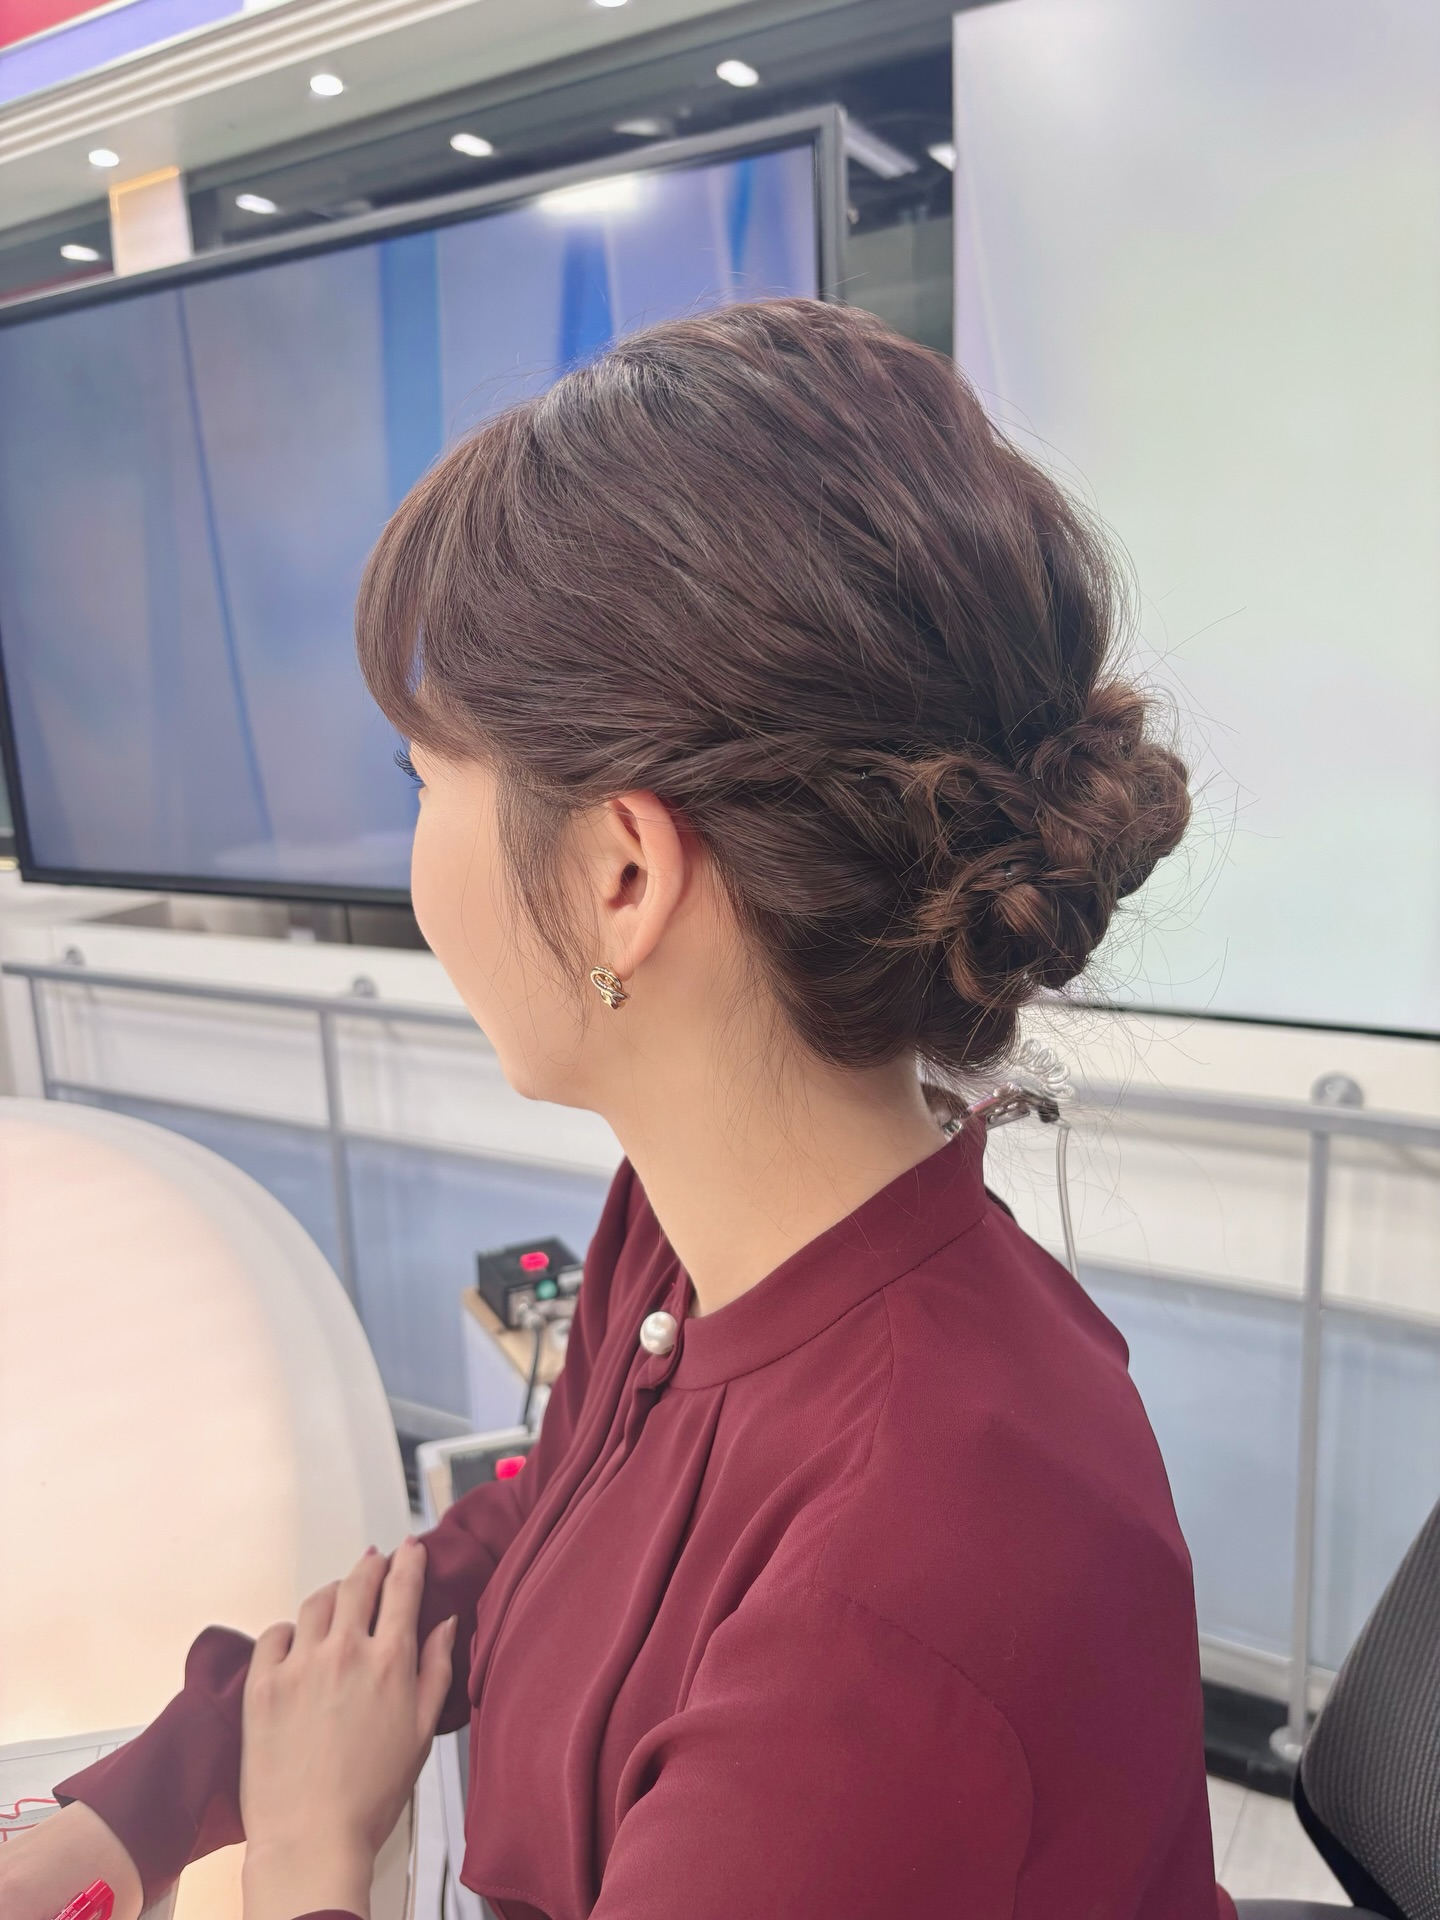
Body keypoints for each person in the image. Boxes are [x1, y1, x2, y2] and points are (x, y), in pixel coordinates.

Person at [2, 298, 1234, 1920]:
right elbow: (555, 1523)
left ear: (623, 876)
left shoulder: (899, 1584)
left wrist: (309, 1856)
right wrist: (144, 1805)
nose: (416, 854)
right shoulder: (691, 1231)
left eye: (425, 779)